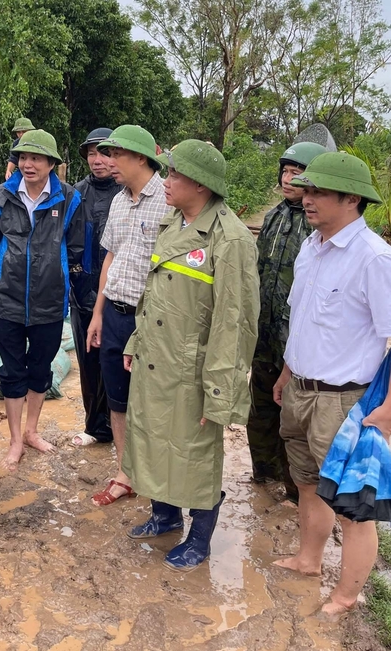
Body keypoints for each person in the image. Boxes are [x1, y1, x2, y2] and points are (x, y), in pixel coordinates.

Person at [124, 140, 260, 571]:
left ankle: (199, 539)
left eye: (175, 175)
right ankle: (164, 516)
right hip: (155, 359)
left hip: (193, 370)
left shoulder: (230, 238)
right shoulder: (172, 222)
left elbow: (234, 324)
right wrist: (135, 341)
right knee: (149, 440)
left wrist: (220, 394)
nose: (167, 181)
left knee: (193, 454)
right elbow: (155, 294)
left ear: (200, 185)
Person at [272, 151, 391, 618]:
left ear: (352, 199)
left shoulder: (375, 259)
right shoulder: (311, 246)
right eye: (307, 190)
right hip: (300, 388)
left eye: (319, 191)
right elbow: (301, 320)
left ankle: (346, 594)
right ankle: (308, 560)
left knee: (352, 505)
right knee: (305, 483)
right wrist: (285, 373)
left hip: (345, 401)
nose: (307, 198)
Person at [0, 129, 83, 470]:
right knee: (11, 372)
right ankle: (14, 441)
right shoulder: (0, 197)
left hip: (50, 303)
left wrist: (64, 281)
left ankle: (31, 431)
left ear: (52, 163)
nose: (28, 164)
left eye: (36, 158)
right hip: (9, 302)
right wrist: (1, 280)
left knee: (40, 369)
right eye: (23, 157)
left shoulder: (69, 199)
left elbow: (76, 248)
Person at [85, 124, 168, 506]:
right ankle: (125, 473)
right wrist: (98, 313)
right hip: (115, 315)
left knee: (151, 402)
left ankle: (158, 479)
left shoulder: (168, 201)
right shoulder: (119, 201)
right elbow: (110, 259)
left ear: (140, 157)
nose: (108, 162)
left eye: (116, 155)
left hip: (150, 320)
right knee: (117, 400)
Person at [247, 138, 331, 502]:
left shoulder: (319, 227)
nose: (288, 179)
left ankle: (298, 490)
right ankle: (263, 475)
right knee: (260, 407)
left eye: (297, 173)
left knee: (293, 416)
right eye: (285, 171)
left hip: (296, 339)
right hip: (263, 331)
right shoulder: (274, 217)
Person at [69, 128, 123, 447]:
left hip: (116, 294)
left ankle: (121, 429)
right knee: (88, 364)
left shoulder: (126, 194)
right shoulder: (76, 194)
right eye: (91, 154)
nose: (97, 160)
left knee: (116, 364)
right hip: (82, 293)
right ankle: (94, 427)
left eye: (103, 153)